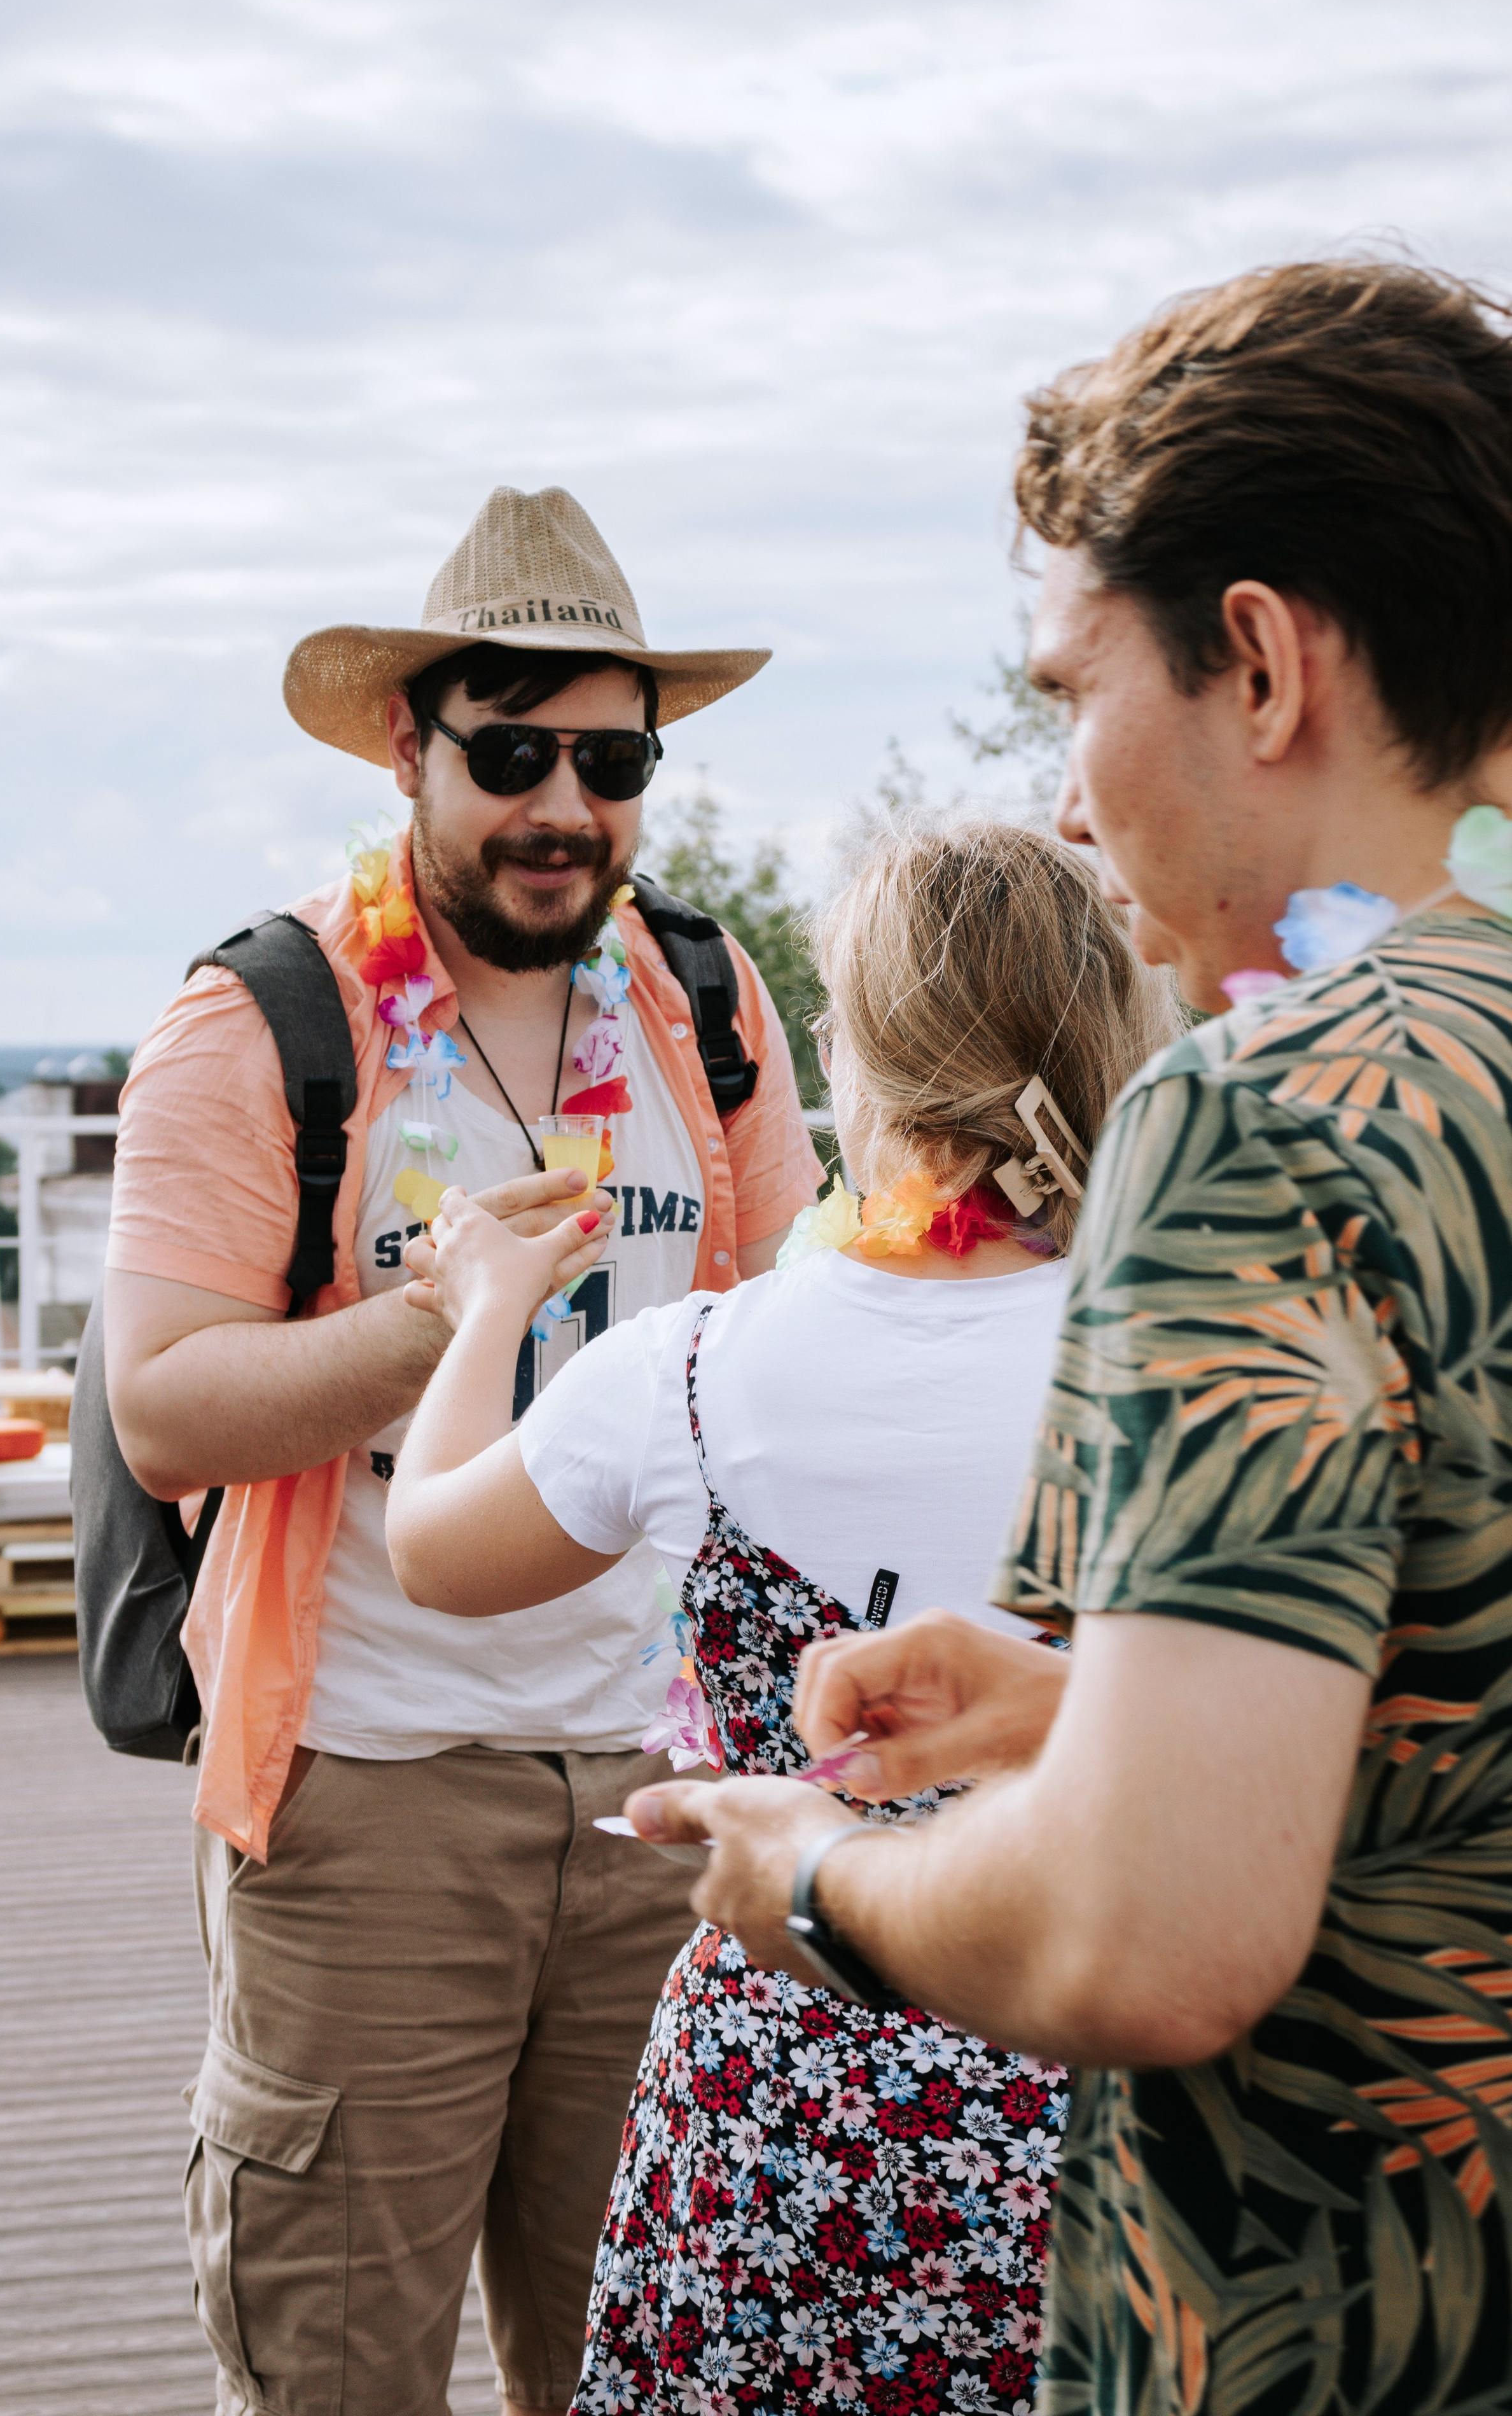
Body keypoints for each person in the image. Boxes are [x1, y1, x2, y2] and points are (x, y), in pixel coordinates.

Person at [628, 259, 1512, 2415]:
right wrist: (1089, 1700)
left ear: (1260, 661)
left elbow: (1155, 1935)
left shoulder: (1266, 1115)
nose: (1063, 794)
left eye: (1064, 694)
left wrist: (815, 1875)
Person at [101, 483, 824, 2416]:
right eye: (512, 750)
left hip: (660, 1791)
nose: (566, 803)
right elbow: (162, 1401)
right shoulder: (263, 1022)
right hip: (370, 1803)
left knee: (645, 2364)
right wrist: (435, 1317)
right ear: (408, 751)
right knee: (341, 2368)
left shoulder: (708, 1004)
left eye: (612, 754)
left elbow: (786, 1336)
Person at [384, 816, 1176, 2416]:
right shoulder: (1207, 1358)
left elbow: (433, 1548)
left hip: (782, 2097)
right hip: (1122, 2086)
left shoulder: (684, 1368)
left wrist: (485, 1310)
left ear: (850, 1056)